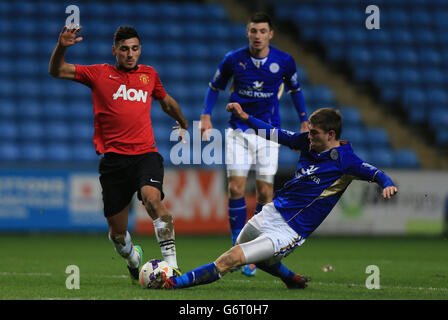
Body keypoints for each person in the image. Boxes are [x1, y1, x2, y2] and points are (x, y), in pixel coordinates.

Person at [148, 104, 398, 290]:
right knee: (250, 255)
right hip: (271, 212)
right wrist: (247, 118)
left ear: (331, 135)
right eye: (309, 132)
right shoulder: (307, 144)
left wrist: (386, 184)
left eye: (315, 133)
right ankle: (291, 278)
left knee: (230, 259)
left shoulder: (346, 161)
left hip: (289, 231)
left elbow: (375, 172)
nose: (309, 136)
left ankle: (172, 283)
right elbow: (275, 134)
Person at [49, 24, 188, 283]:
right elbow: (57, 70)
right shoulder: (99, 74)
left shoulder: (149, 75)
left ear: (140, 50)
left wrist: (183, 122)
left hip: (146, 154)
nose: (130, 54)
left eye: (134, 49)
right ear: (115, 51)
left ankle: (173, 268)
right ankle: (134, 257)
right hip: (114, 162)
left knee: (151, 198)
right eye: (124, 49)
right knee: (117, 234)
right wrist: (62, 48)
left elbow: (165, 101)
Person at [199, 12, 308, 276]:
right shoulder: (233, 59)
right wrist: (205, 115)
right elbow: (214, 86)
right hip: (239, 131)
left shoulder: (284, 61)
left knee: (264, 194)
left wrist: (304, 121)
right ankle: (238, 244)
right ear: (247, 33)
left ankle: (254, 248)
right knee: (236, 187)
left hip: (269, 133)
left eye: (262, 31)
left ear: (270, 34)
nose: (257, 36)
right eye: (253, 31)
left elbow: (295, 91)